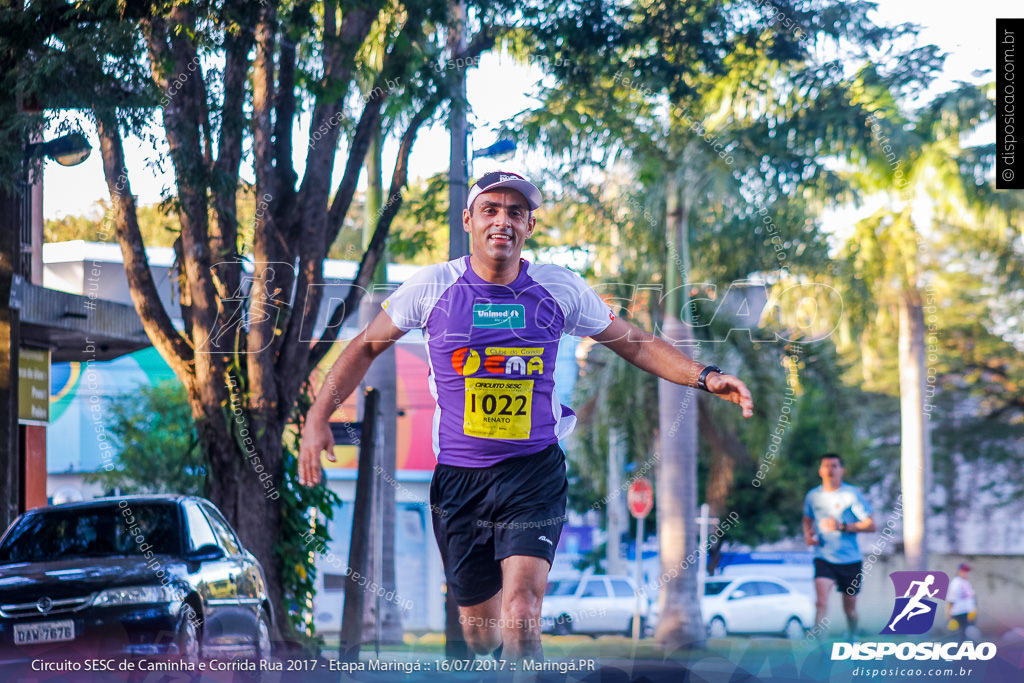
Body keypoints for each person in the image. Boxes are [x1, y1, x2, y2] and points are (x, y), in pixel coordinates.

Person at [299, 171, 754, 661]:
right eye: (491, 210)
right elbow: (364, 346)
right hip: (459, 480)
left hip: (533, 471)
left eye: (515, 212)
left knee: (522, 612)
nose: (503, 221)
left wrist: (705, 376)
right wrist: (317, 417)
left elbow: (637, 343)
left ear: (530, 225)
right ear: (468, 220)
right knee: (481, 632)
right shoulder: (433, 286)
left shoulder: (558, 287)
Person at [802, 453, 876, 640]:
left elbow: (871, 525)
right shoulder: (813, 496)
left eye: (834, 466)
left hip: (850, 560)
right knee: (821, 602)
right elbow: (807, 519)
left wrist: (842, 526)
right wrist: (808, 536)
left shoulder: (851, 495)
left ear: (842, 470)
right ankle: (818, 643)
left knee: (849, 609)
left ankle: (852, 635)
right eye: (826, 466)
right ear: (820, 470)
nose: (830, 469)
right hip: (824, 557)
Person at [946, 562, 977, 643]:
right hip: (959, 613)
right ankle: (959, 653)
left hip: (967, 613)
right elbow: (951, 600)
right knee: (960, 638)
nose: (967, 573)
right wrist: (948, 615)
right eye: (964, 570)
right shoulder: (956, 583)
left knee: (965, 638)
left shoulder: (966, 582)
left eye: (968, 570)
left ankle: (963, 653)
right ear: (959, 571)